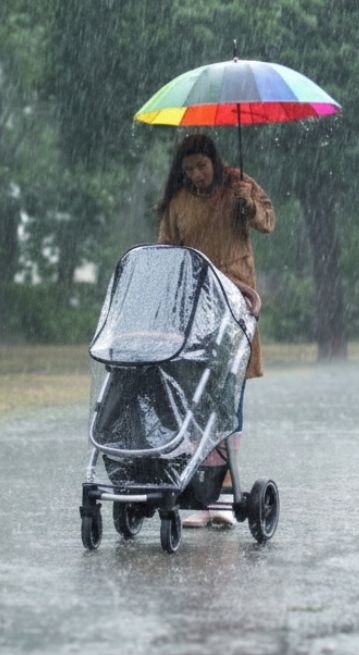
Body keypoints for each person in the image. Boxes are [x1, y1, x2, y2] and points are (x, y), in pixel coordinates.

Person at [154, 133, 274, 528]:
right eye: (188, 169)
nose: (196, 175)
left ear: (214, 162)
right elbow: (165, 249)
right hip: (194, 308)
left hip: (237, 303)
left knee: (227, 398)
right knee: (194, 398)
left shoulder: (238, 185)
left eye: (202, 167)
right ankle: (200, 492)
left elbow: (268, 221)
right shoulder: (178, 202)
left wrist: (248, 206)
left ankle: (223, 493)